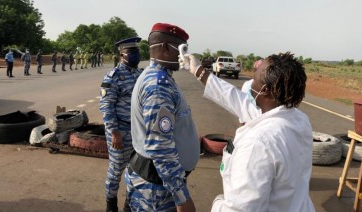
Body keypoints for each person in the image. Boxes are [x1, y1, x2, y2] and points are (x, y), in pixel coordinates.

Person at [182, 52, 315, 211]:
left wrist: (219, 203)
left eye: (256, 78)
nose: (251, 83)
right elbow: (236, 99)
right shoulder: (298, 120)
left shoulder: (258, 143)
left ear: (265, 90)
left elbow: (240, 208)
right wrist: (199, 71)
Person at [127, 23, 198, 211]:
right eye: (182, 49)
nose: (184, 56)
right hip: (156, 189)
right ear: (166, 47)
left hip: (157, 181)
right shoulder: (159, 85)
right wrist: (182, 197)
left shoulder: (160, 77)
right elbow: (160, 147)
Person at [99, 36, 143, 212]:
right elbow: (106, 106)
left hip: (137, 131)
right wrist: (114, 132)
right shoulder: (113, 77)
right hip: (120, 131)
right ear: (121, 54)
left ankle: (129, 204)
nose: (135, 55)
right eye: (131, 52)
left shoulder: (140, 74)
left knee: (136, 170)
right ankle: (111, 204)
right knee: (116, 170)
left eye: (136, 51)